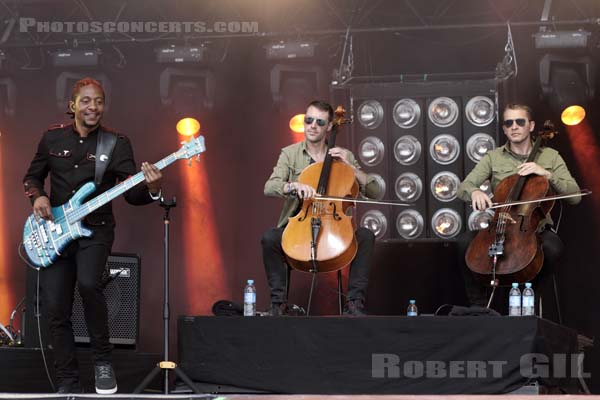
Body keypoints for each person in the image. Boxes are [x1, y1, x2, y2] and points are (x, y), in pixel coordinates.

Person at [23, 78, 162, 394]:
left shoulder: (115, 143)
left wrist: (152, 189)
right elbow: (32, 177)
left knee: (88, 284)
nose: (93, 107)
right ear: (72, 105)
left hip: (95, 230)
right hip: (56, 232)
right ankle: (67, 380)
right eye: (86, 101)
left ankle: (102, 362)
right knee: (56, 307)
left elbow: (131, 192)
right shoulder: (51, 138)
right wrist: (38, 198)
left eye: (98, 101)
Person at [261, 100, 380, 316]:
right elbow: (269, 186)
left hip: (335, 227)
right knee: (270, 238)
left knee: (365, 237)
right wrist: (292, 186)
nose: (312, 126)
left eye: (319, 122)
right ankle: (278, 305)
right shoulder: (289, 154)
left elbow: (374, 191)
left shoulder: (343, 157)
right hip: (299, 226)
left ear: (329, 127)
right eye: (308, 120)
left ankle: (354, 304)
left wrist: (351, 167)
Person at [457, 103, 580, 310]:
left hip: (535, 229)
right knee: (463, 243)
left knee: (552, 248)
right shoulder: (493, 157)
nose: (514, 126)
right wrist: (475, 192)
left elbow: (575, 196)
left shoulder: (550, 157)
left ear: (530, 126)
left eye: (519, 122)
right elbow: (463, 187)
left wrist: (546, 173)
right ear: (504, 129)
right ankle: (477, 307)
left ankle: (531, 304)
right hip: (499, 225)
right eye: (508, 123)